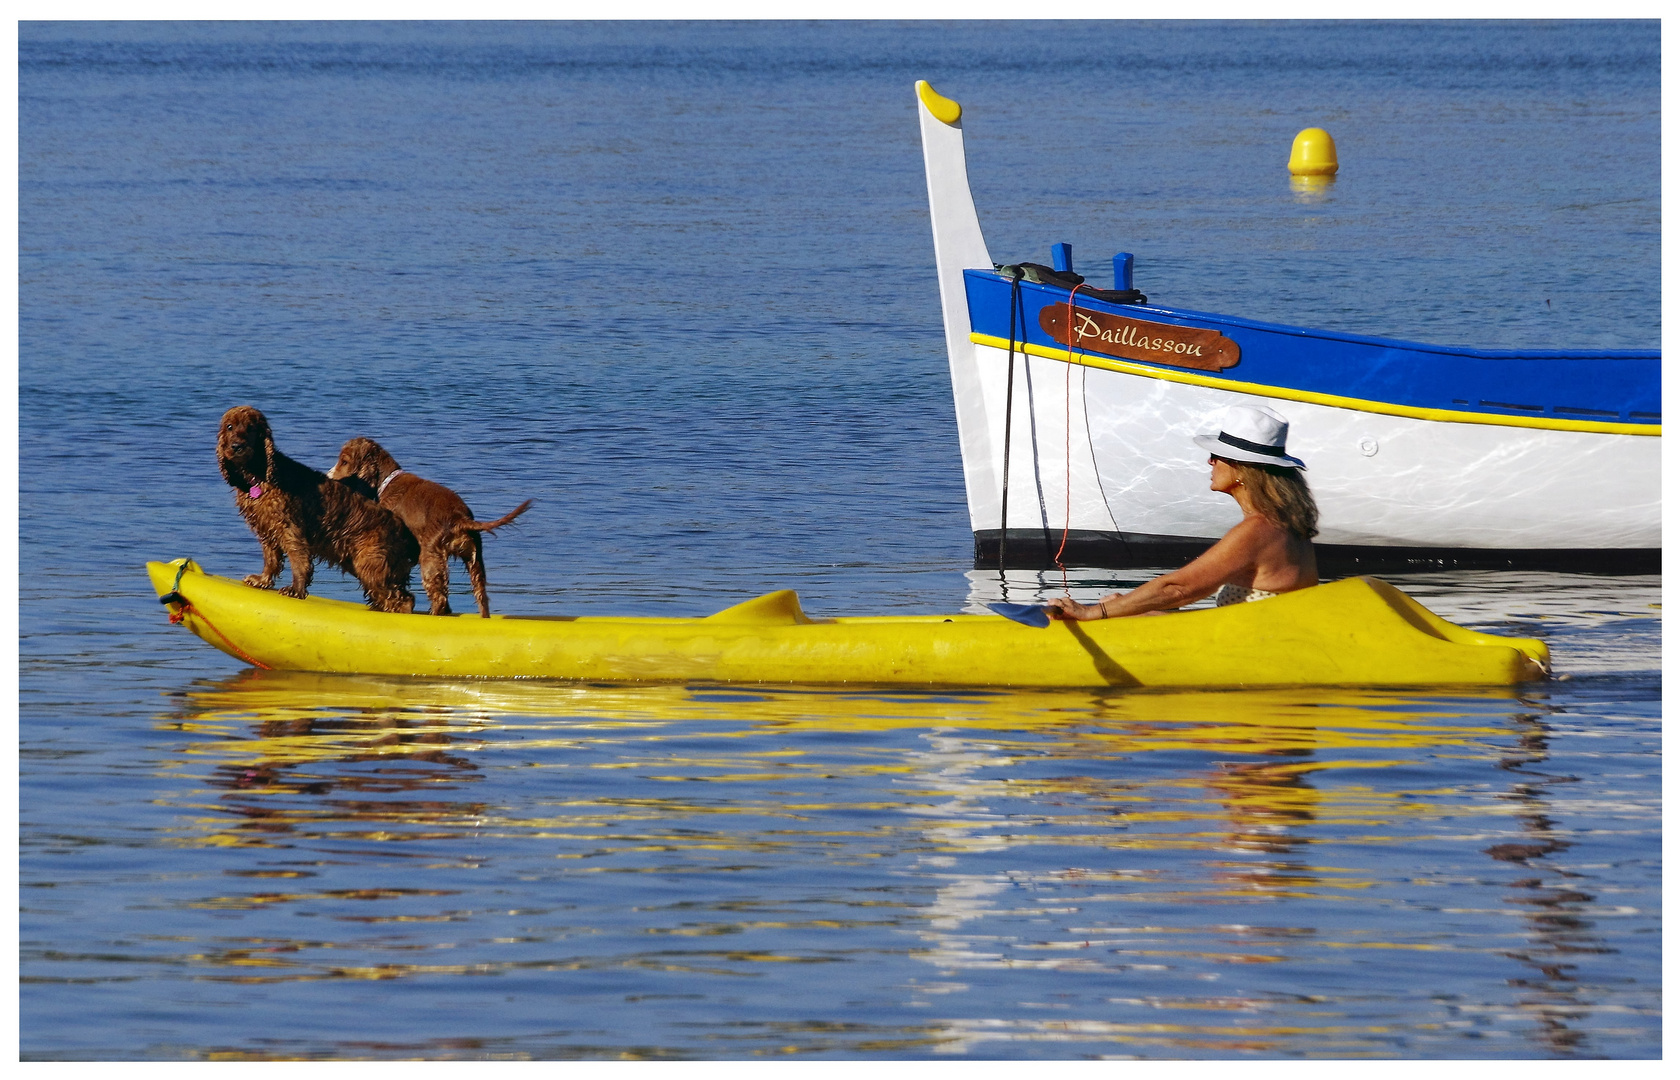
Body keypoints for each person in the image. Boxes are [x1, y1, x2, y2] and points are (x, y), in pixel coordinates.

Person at [1047, 405, 1319, 621]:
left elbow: (1178, 589)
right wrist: (1138, 609)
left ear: (1240, 468)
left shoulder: (1258, 530)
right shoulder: (1286, 525)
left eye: (1217, 454)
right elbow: (1243, 616)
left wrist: (1093, 612)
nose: (1210, 461)